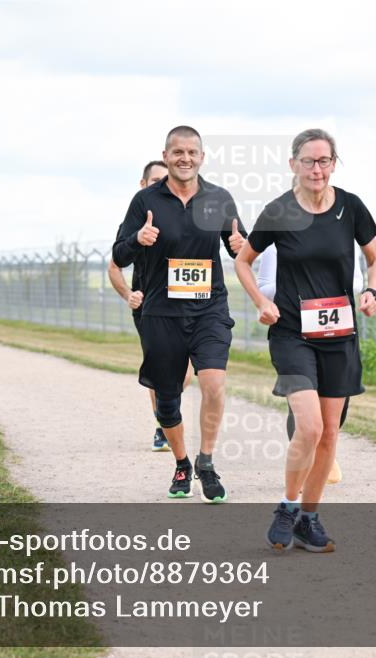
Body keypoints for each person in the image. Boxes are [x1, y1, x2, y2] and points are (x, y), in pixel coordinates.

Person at [234, 128, 376, 552]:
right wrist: (261, 300)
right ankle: (287, 506)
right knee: (310, 425)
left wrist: (372, 291)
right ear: (293, 165)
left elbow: (375, 260)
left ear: (334, 163)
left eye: (323, 161)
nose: (316, 169)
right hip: (292, 333)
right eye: (308, 161)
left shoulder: (351, 207)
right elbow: (245, 261)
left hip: (339, 335)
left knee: (329, 435)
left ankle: (309, 520)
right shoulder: (279, 211)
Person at [113, 126, 246, 503]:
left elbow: (241, 250)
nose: (185, 158)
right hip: (162, 312)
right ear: (166, 155)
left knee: (214, 384)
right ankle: (182, 462)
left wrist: (241, 246)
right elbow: (119, 255)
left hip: (209, 309)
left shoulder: (219, 199)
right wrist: (137, 241)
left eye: (192, 152)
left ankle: (206, 461)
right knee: (167, 398)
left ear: (202, 157)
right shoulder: (145, 201)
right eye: (177, 152)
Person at [257, 242, 361, 486]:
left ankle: (326, 448)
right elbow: (264, 288)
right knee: (305, 406)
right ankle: (307, 459)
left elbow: (356, 283)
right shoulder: (277, 243)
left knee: (334, 411)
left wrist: (322, 279)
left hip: (336, 332)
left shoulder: (345, 238)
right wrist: (299, 280)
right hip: (294, 333)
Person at [108, 159, 194, 453]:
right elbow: (114, 266)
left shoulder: (183, 215)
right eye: (156, 181)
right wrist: (127, 294)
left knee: (185, 373)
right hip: (150, 305)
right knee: (161, 368)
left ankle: (167, 413)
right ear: (144, 185)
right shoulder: (135, 219)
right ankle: (163, 425)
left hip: (187, 304)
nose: (163, 185)